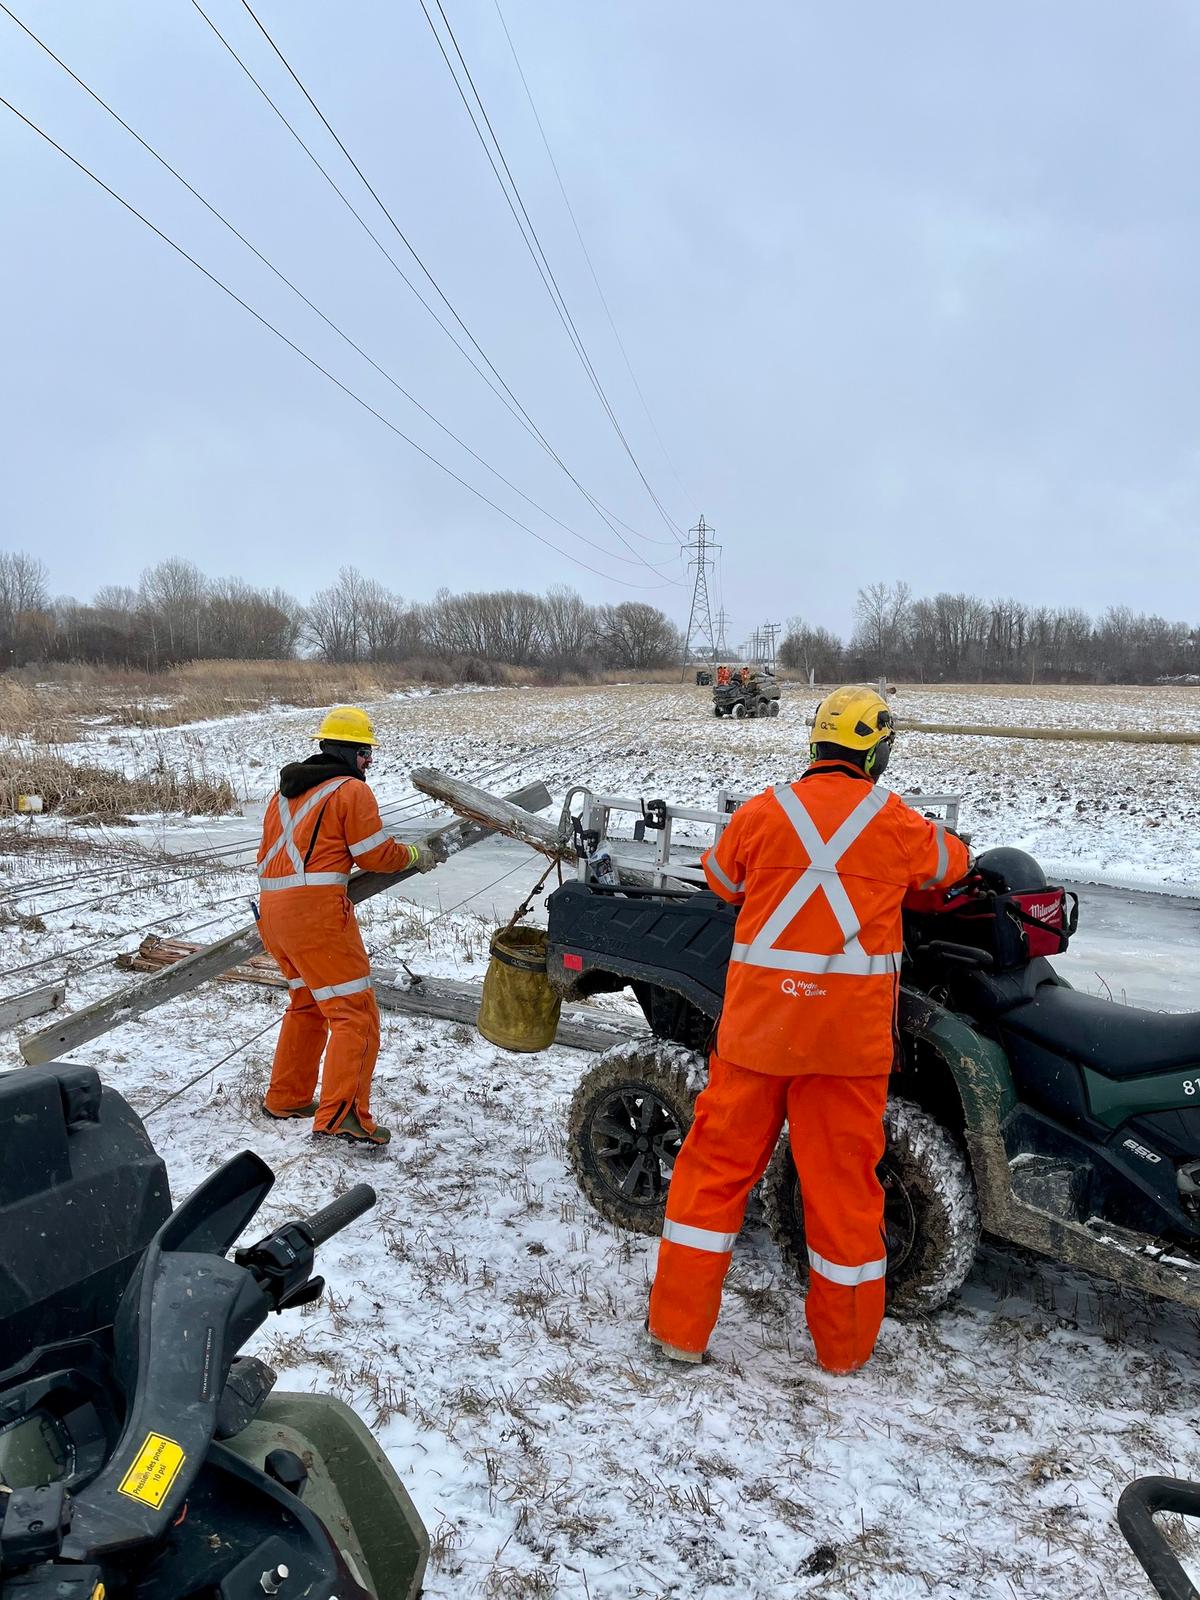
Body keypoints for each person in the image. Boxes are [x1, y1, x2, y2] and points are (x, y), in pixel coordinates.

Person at [646, 685, 969, 1372]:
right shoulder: (897, 823)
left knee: (711, 1177)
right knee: (843, 1195)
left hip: (758, 1037)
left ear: (815, 745)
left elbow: (722, 881)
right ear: (876, 750)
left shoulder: (766, 812)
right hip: (844, 1049)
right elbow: (953, 868)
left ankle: (677, 1332)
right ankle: (844, 1352)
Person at [256, 705, 439, 1147]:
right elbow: (376, 854)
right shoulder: (351, 792)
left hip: (272, 915)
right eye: (366, 753)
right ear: (353, 753)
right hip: (316, 917)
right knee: (354, 1014)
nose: (369, 762)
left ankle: (287, 1097)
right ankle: (342, 1117)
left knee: (307, 1002)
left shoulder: (282, 796)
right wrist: (415, 856)